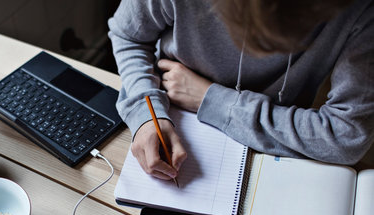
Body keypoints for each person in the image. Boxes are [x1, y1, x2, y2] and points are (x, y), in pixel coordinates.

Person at [108, 0, 374, 181]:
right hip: (170, 110)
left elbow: (347, 135)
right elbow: (128, 34)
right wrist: (145, 114)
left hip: (277, 147)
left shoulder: (361, 10)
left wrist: (210, 99)